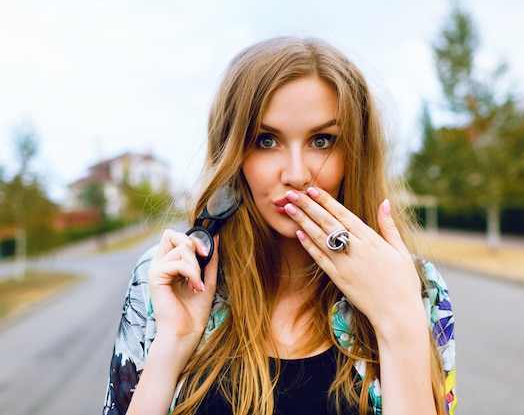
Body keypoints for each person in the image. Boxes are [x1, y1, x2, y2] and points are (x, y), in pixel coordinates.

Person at [103, 36, 456, 415]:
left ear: (356, 152)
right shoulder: (167, 281)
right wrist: (175, 340)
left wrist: (399, 320)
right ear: (232, 151)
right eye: (266, 140)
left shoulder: (414, 287)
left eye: (322, 141)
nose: (296, 174)